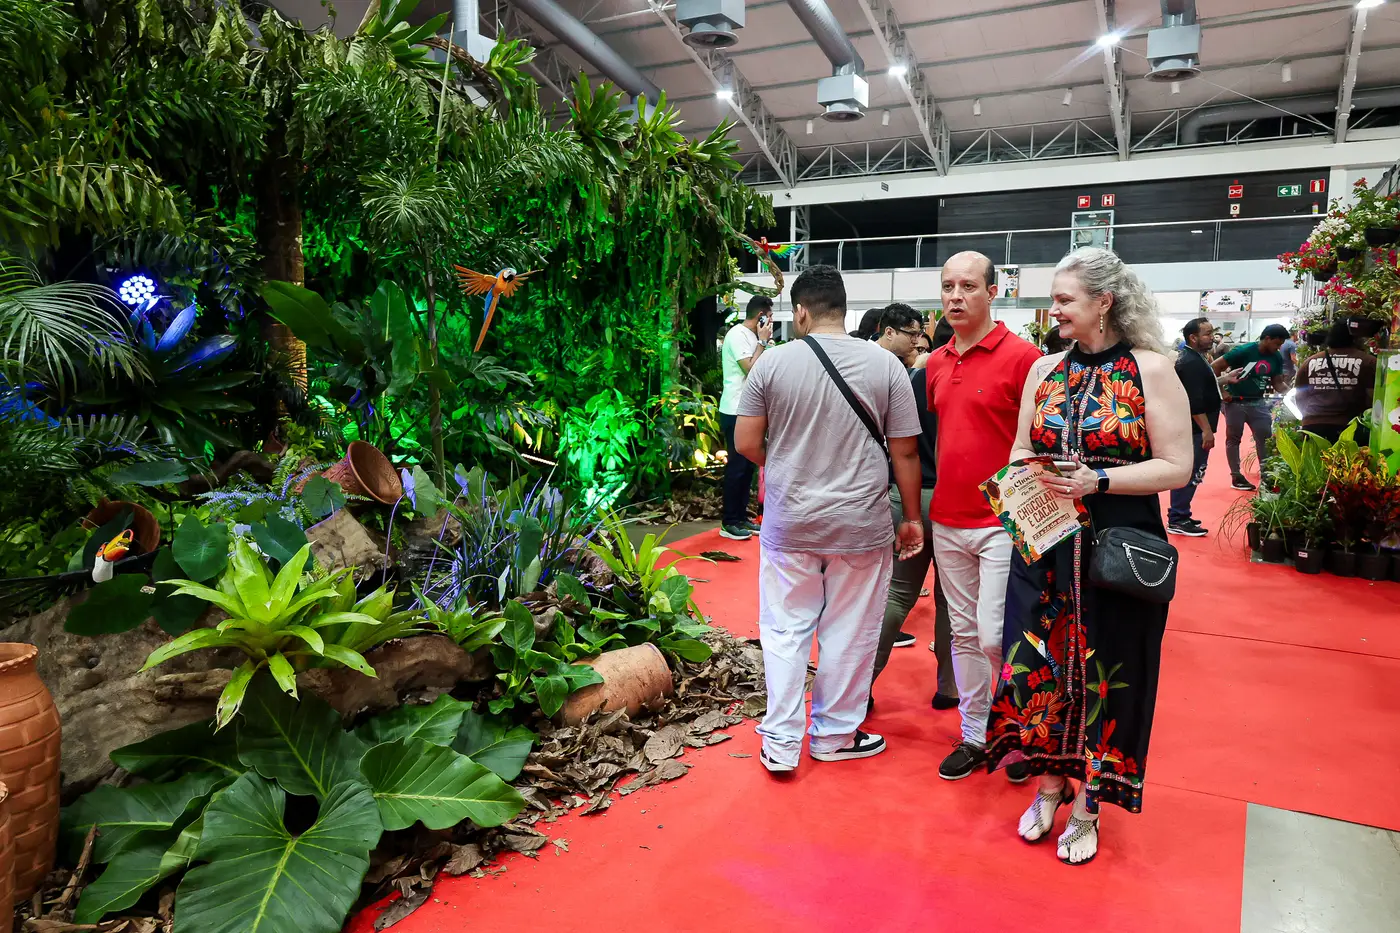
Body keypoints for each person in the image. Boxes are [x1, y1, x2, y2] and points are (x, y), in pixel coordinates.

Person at [986, 246, 1192, 866]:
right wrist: (1023, 485)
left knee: (1110, 670)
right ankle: (1050, 784)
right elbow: (1020, 447)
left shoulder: (1152, 369)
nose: (1054, 311)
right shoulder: (1043, 369)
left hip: (1118, 545)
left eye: (1064, 299)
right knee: (1038, 663)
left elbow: (1177, 466)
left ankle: (1090, 806)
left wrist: (1098, 481)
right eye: (1053, 299)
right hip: (1044, 541)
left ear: (1105, 302)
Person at [734, 265, 925, 772]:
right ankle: (834, 736)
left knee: (784, 631)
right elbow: (906, 453)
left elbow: (747, 442)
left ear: (801, 311)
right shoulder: (887, 366)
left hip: (790, 524)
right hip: (861, 524)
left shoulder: (772, 364)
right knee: (850, 631)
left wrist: (788, 462)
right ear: (843, 308)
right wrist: (911, 518)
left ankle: (780, 744)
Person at [925, 251, 1042, 782]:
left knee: (997, 634)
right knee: (964, 634)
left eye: (968, 286)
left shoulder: (1025, 359)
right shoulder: (935, 362)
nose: (955, 296)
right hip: (948, 517)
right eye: (948, 286)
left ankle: (1017, 731)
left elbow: (1038, 441)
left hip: (1003, 519)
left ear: (993, 292)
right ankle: (976, 734)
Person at [872, 316, 957, 706]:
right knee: (950, 599)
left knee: (896, 594)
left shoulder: (913, 381)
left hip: (908, 495)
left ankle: (860, 686)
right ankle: (949, 687)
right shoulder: (968, 382)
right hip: (957, 499)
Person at [718, 297, 773, 540]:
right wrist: (762, 343)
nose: (770, 321)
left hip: (750, 410)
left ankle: (740, 517)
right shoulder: (737, 334)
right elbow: (750, 369)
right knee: (737, 467)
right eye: (769, 316)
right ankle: (729, 521)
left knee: (747, 467)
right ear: (760, 316)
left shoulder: (752, 337)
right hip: (735, 409)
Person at [1168, 317, 1227, 536]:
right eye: (1207, 334)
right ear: (1193, 337)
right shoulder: (1190, 362)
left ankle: (1181, 514)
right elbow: (1194, 401)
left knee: (1195, 471)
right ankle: (1178, 517)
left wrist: (1225, 380)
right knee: (1192, 472)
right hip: (1194, 429)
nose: (1212, 338)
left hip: (1196, 427)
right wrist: (1206, 430)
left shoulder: (1195, 358)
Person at [1213, 323, 1289, 491]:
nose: (1279, 347)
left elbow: (1277, 382)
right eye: (1277, 343)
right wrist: (1222, 391)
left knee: (1265, 438)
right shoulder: (1244, 351)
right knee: (1234, 438)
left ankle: (1267, 477)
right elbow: (1215, 366)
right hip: (1234, 401)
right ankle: (1236, 477)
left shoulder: (1276, 357)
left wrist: (1292, 394)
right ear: (1267, 339)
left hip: (1258, 402)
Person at [1295, 318, 1377, 445]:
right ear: (1357, 338)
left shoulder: (1310, 362)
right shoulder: (1368, 362)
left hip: (1312, 427)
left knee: (1316, 458)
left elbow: (1300, 397)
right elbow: (1373, 398)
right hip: (1349, 428)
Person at [874, 303, 925, 368]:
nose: (916, 341)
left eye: (917, 335)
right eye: (912, 334)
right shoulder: (869, 357)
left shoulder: (894, 360)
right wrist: (917, 367)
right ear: (889, 333)